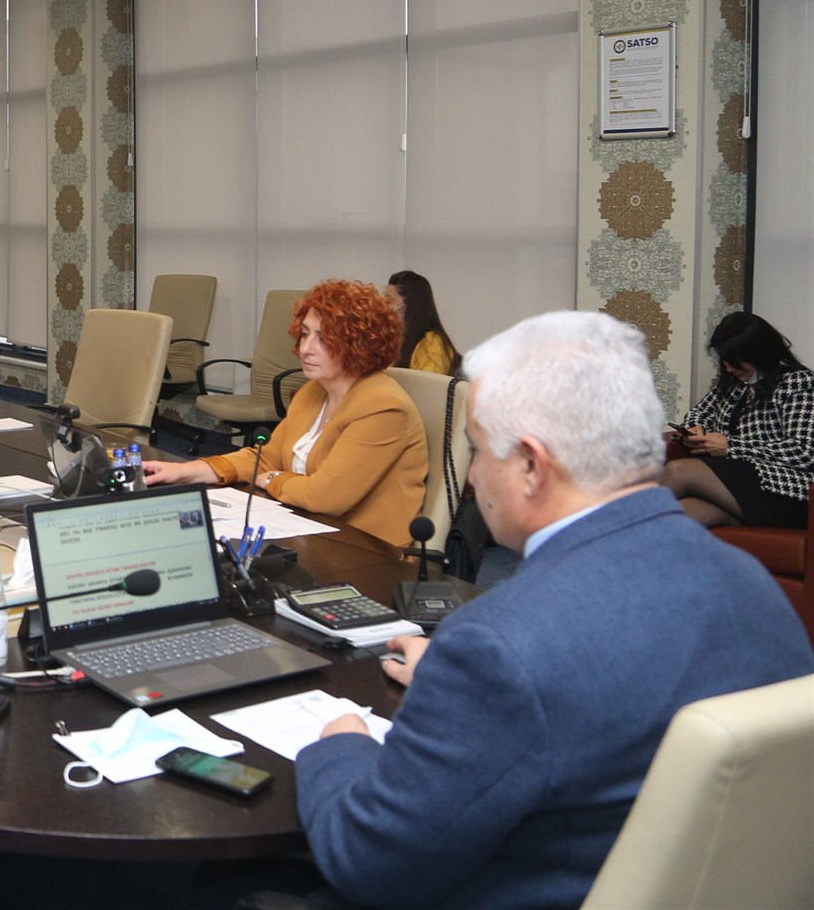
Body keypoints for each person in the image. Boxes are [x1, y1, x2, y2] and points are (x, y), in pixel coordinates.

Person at [292, 310, 813, 909]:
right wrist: (459, 684)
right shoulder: (752, 585)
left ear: (532, 466)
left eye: (478, 450)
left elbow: (366, 860)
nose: (474, 475)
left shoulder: (499, 646)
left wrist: (340, 742)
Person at [143, 279, 425, 546]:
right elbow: (266, 459)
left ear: (360, 344)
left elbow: (325, 497)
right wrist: (187, 471)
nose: (305, 349)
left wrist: (273, 479)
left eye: (323, 339)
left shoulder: (383, 407)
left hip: (366, 548)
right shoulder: (313, 391)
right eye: (305, 334)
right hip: (307, 527)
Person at [664, 311, 812, 529]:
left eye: (735, 360)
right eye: (725, 360)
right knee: (682, 513)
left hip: (784, 490)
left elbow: (804, 452)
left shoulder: (797, 382)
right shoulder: (735, 384)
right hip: (737, 486)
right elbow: (699, 413)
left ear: (760, 352)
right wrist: (695, 428)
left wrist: (732, 447)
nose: (729, 368)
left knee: (679, 471)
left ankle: (611, 528)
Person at [387, 269, 459, 375]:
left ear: (410, 304)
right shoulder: (394, 339)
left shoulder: (432, 343)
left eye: (389, 299)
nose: (383, 304)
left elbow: (426, 384)